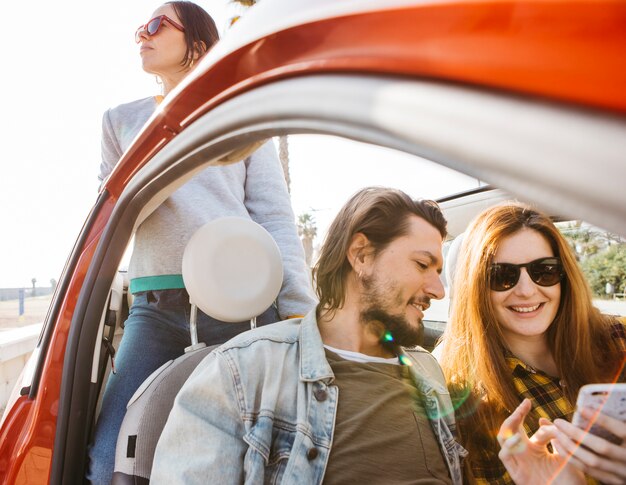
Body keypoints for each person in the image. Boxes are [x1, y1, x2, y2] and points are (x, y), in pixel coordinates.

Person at [88, 2, 316, 483]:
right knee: (108, 460)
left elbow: (274, 216)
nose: (141, 37)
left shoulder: (242, 120)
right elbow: (118, 215)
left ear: (197, 43)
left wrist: (299, 310)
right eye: (139, 29)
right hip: (154, 309)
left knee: (257, 459)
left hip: (246, 307)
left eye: (155, 26)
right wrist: (176, 135)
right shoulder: (121, 122)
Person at [151, 186, 468, 484]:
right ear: (361, 255)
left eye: (438, 272)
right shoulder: (239, 373)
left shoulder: (428, 371)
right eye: (422, 264)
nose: (438, 291)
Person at [437, 202, 626, 484]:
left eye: (544, 271)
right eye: (502, 276)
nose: (526, 290)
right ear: (476, 287)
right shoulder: (464, 398)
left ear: (563, 277)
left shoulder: (619, 338)